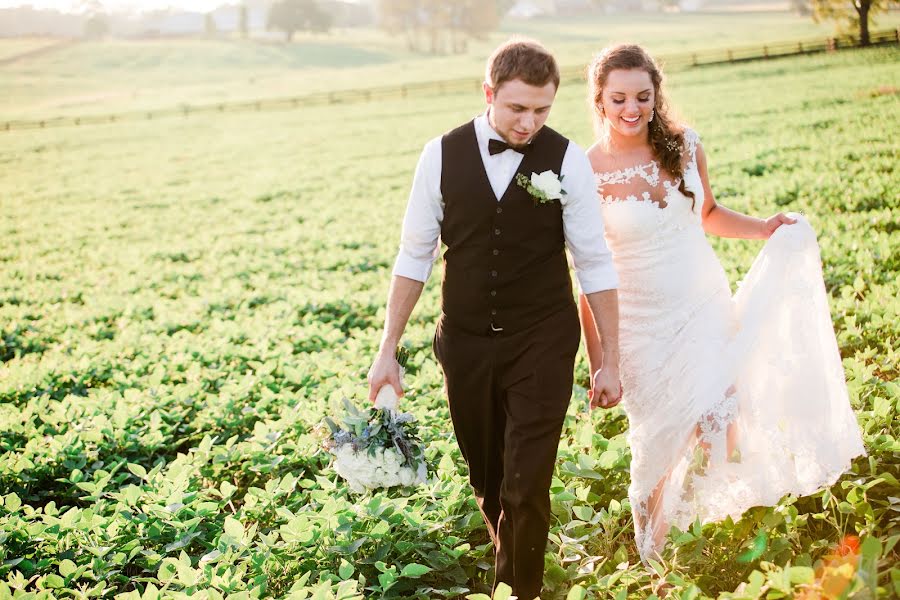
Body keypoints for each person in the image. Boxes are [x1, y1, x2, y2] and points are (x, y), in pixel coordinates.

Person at [581, 44, 867, 562]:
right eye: (619, 97)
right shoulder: (586, 170)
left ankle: (713, 538)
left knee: (720, 419)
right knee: (657, 444)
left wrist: (765, 228)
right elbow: (587, 273)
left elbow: (708, 212)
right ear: (599, 100)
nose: (632, 108)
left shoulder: (685, 145)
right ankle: (655, 554)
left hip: (702, 304)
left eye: (642, 96)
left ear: (655, 94)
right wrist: (602, 359)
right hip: (640, 324)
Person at [367, 39, 622, 599]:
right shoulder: (439, 154)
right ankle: (515, 564)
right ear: (489, 94)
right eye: (517, 109)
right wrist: (388, 348)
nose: (530, 123)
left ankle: (518, 591)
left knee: (525, 484)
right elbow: (414, 255)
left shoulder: (568, 159)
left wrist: (612, 360)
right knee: (489, 480)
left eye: (542, 110)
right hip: (464, 343)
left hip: (544, 340)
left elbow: (593, 261)